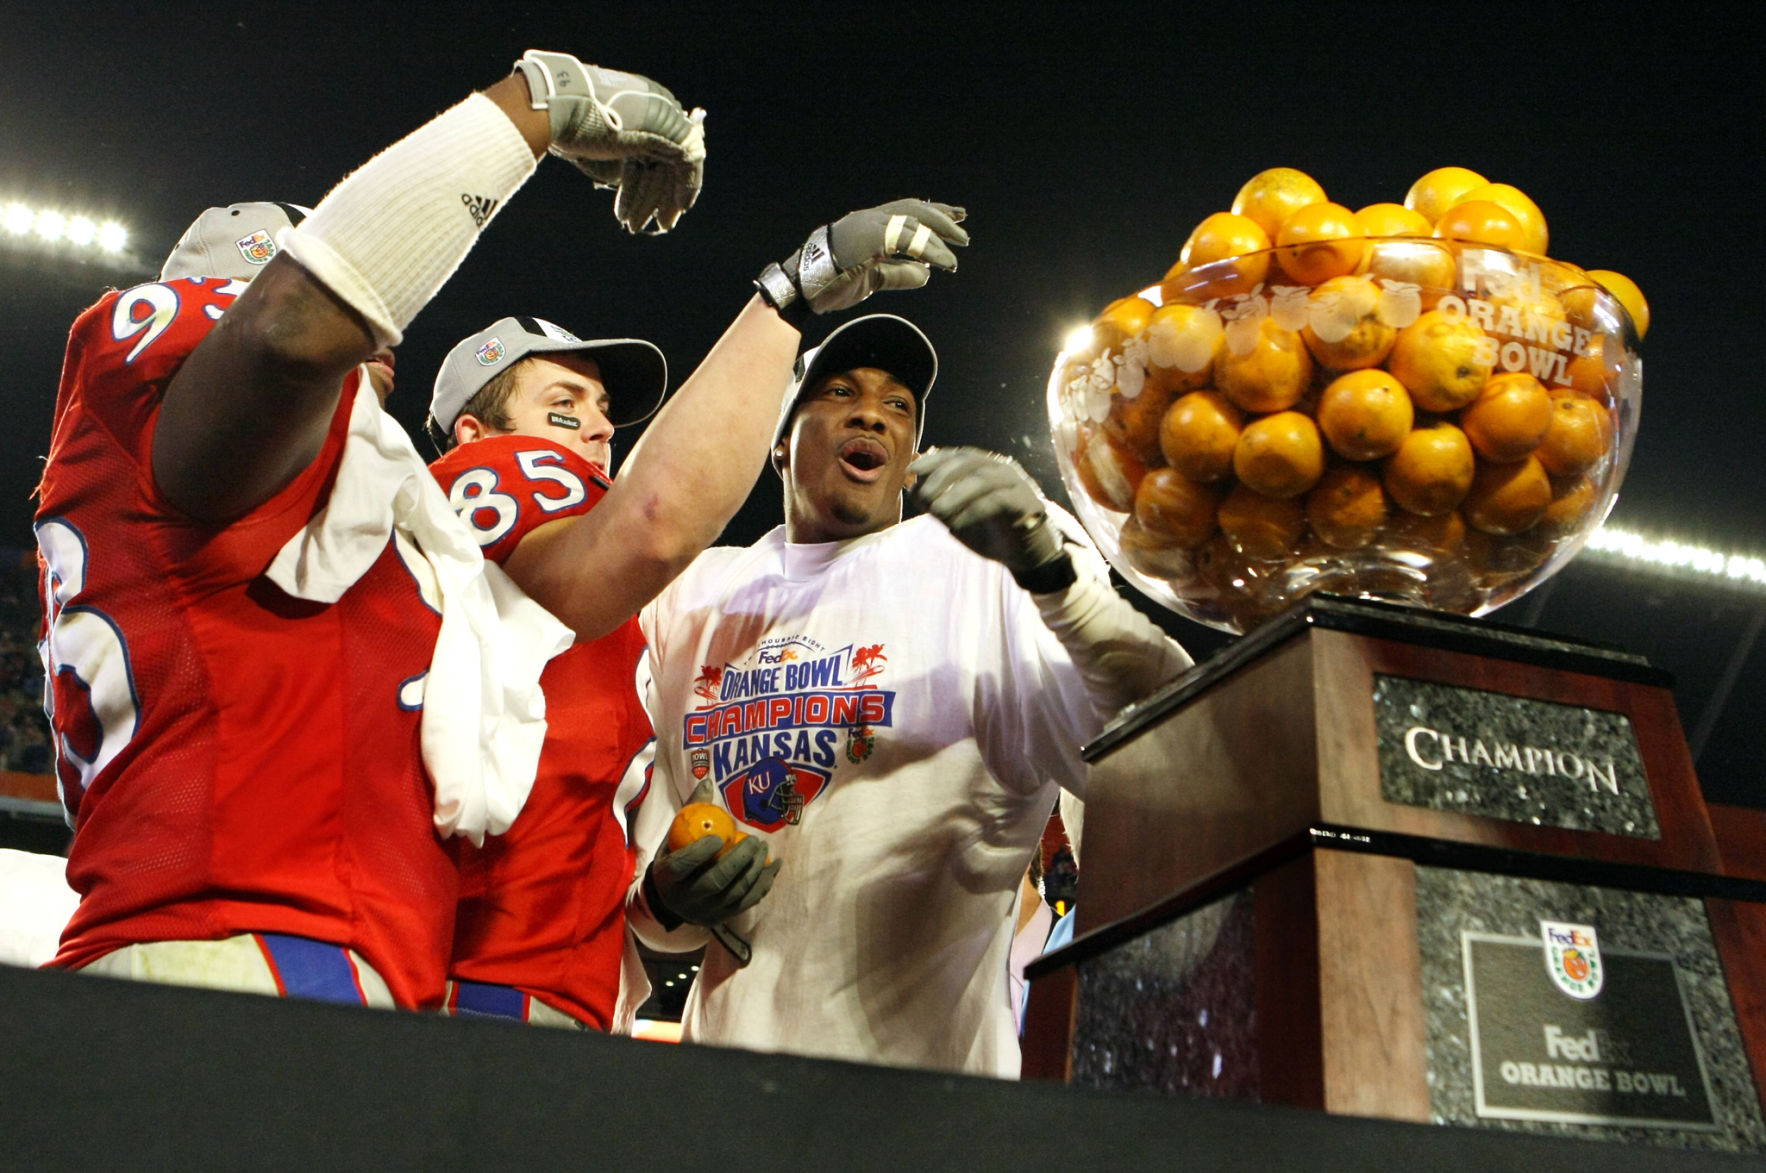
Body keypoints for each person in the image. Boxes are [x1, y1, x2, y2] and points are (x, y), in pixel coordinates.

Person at [629, 314, 1192, 1075]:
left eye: (899, 406)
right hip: (721, 1103)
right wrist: (665, 896)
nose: (872, 412)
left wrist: (1052, 577)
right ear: (779, 441)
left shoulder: (977, 567)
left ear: (910, 457)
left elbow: (1165, 752)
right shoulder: (696, 596)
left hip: (919, 1112)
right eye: (839, 391)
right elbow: (658, 921)